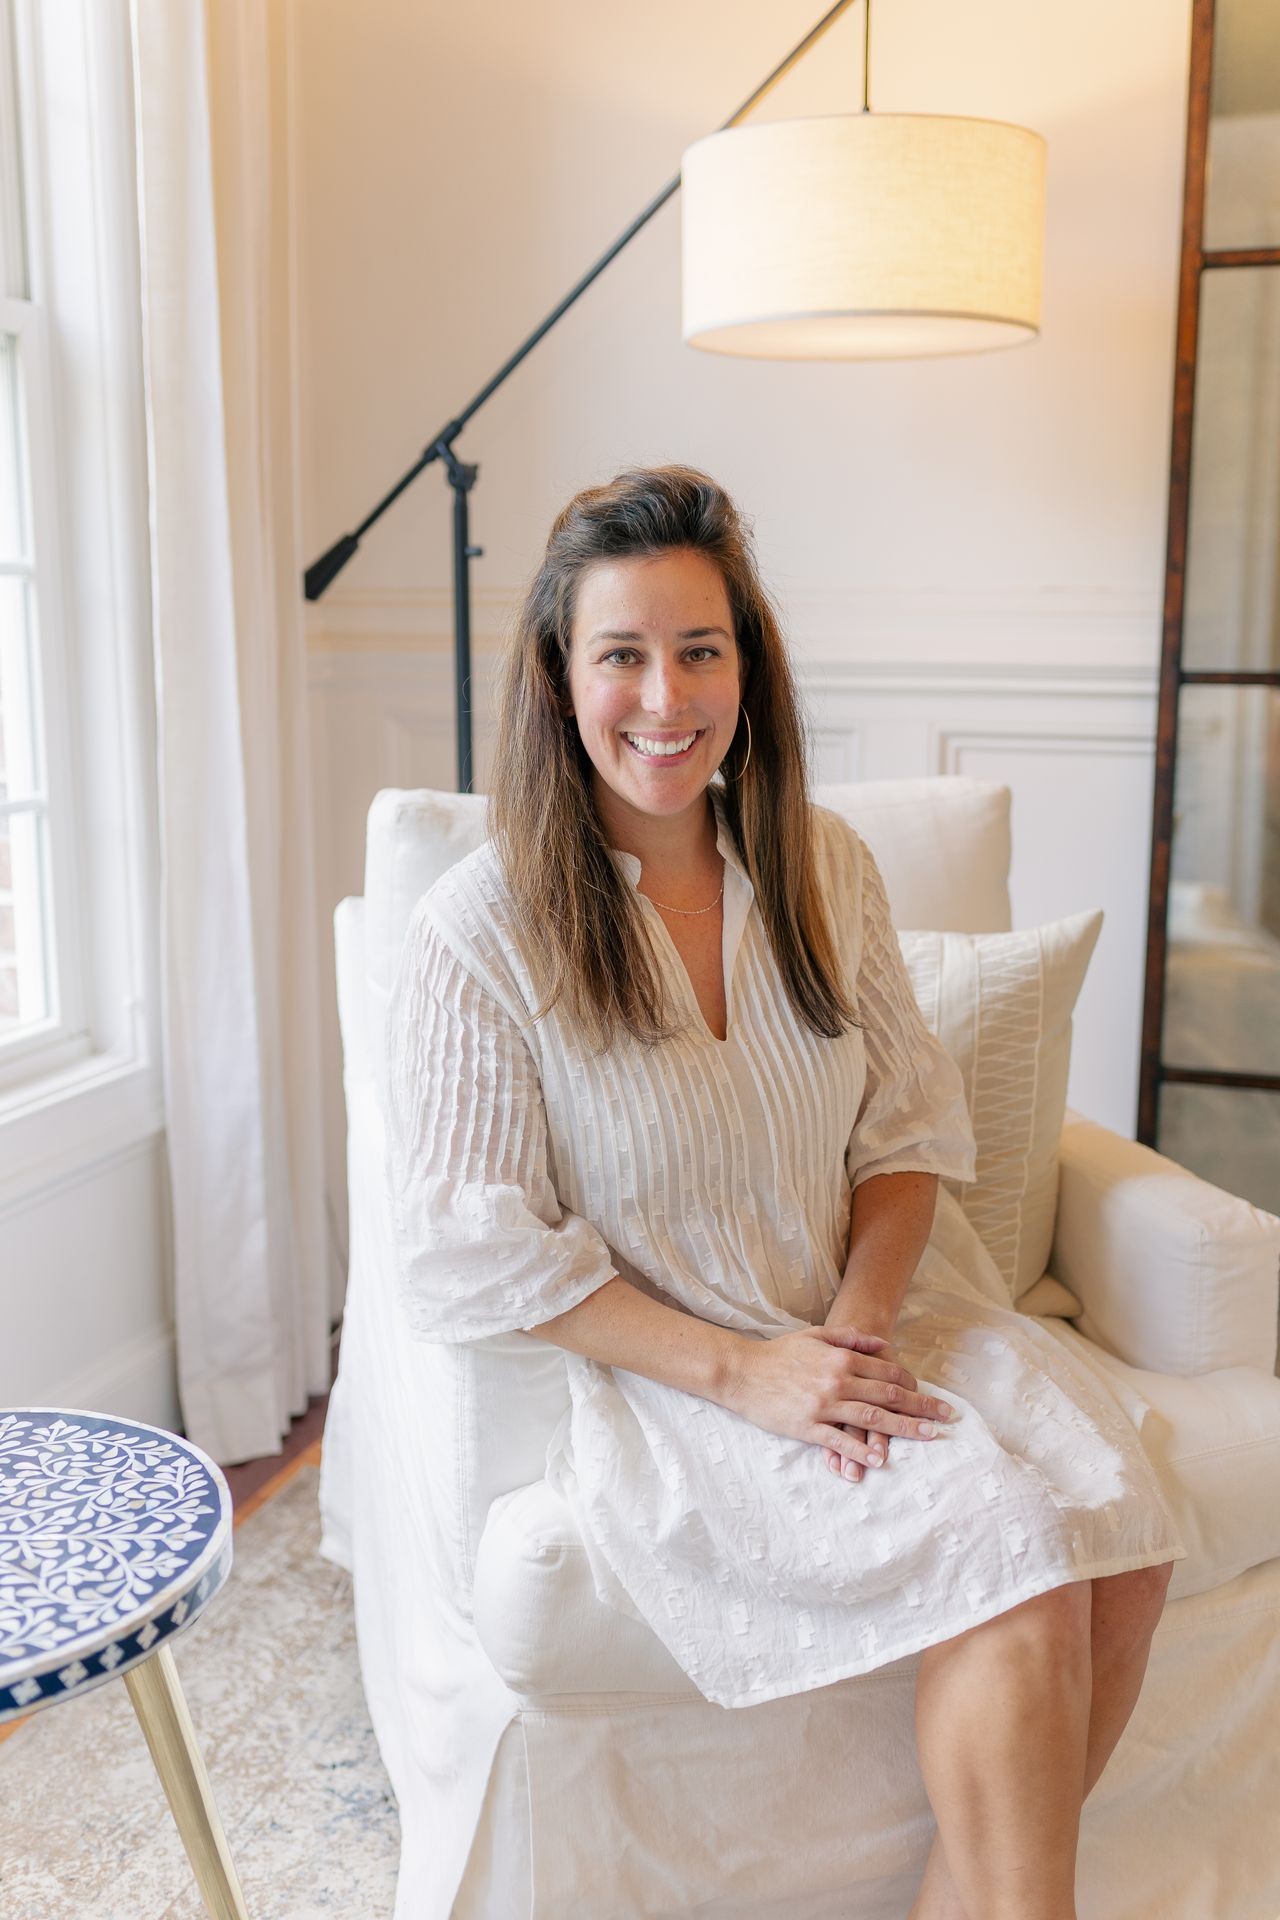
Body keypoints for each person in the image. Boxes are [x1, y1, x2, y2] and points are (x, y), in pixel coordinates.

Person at [385, 464, 1187, 1920]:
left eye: (702, 649)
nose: (664, 695)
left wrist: (858, 1330)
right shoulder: (481, 929)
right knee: (1013, 1553)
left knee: (1120, 1536)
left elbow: (905, 1135)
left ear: (747, 662)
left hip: (872, 1319)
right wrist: (752, 1375)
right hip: (681, 1369)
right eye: (621, 654)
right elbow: (462, 1252)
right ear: (560, 678)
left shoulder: (822, 867)